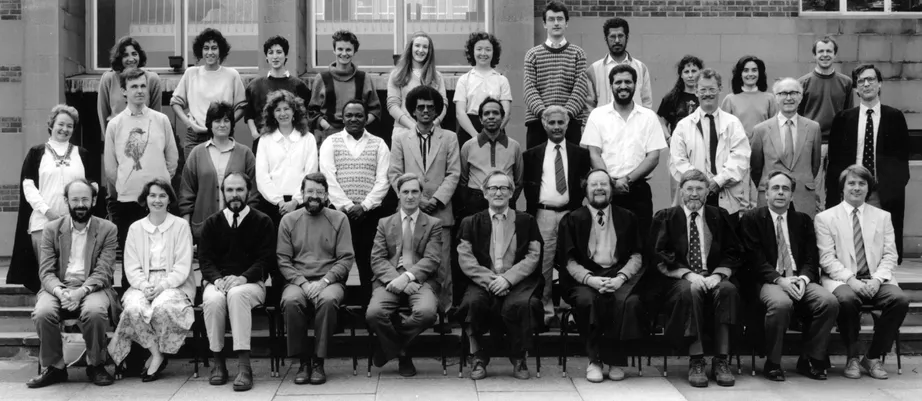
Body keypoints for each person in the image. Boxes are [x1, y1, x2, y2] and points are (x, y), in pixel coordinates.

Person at [739, 171, 838, 381]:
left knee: (828, 301)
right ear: (766, 194)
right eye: (775, 188)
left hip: (799, 279)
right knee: (781, 304)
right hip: (769, 280)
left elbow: (812, 259)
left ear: (792, 195)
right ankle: (773, 362)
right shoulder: (752, 219)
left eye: (785, 189)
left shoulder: (802, 220)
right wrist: (780, 280)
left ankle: (810, 358)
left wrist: (802, 279)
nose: (781, 193)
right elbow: (754, 260)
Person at [649, 169, 743, 388]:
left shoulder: (719, 216)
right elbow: (659, 256)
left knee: (728, 290)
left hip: (713, 276)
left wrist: (718, 275)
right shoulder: (667, 217)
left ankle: (721, 360)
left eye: (699, 189)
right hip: (679, 280)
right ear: (681, 191)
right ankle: (697, 359)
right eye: (689, 188)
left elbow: (734, 252)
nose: (694, 194)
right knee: (691, 290)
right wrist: (689, 275)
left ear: (707, 191)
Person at [815, 165, 909, 380]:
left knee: (900, 300)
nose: (856, 188)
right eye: (851, 183)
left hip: (876, 279)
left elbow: (890, 255)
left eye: (861, 183)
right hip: (842, 279)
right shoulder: (826, 218)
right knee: (847, 300)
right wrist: (851, 280)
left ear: (869, 188)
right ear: (843, 188)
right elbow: (827, 259)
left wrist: (876, 280)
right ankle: (852, 357)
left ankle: (873, 356)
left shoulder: (883, 217)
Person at [556, 169, 646, 383]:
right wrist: (590, 280)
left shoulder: (627, 217)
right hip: (585, 279)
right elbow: (568, 261)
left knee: (627, 301)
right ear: (586, 190)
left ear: (611, 189)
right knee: (588, 300)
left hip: (618, 276)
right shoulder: (571, 219)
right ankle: (594, 360)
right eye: (594, 185)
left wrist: (621, 278)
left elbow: (637, 255)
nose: (599, 189)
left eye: (604, 184)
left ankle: (615, 360)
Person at [27, 179, 117, 388]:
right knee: (43, 312)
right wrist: (61, 292)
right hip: (59, 286)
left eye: (85, 199)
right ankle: (56, 368)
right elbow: (46, 271)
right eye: (75, 199)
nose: (80, 204)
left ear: (94, 201)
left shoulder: (107, 229)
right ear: (66, 201)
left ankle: (96, 364)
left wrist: (81, 292)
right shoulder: (51, 229)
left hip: (93, 286)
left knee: (95, 311)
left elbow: (103, 271)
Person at [456, 171, 543, 381]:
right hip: (483, 281)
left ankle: (519, 356)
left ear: (512, 193)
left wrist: (508, 279)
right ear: (485, 193)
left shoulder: (526, 221)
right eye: (493, 188)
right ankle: (477, 356)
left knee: (523, 305)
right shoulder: (471, 222)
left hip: (517, 282)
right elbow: (465, 259)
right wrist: (492, 280)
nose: (498, 192)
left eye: (504, 188)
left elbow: (534, 255)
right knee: (472, 303)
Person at [108, 179, 195, 383]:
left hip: (174, 283)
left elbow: (183, 265)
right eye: (153, 195)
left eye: (162, 195)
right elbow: (131, 265)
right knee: (133, 308)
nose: (157, 200)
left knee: (162, 307)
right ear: (145, 199)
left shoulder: (181, 226)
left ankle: (157, 355)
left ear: (169, 199)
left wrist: (162, 286)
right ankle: (156, 353)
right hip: (143, 283)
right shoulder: (136, 228)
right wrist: (145, 286)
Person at [198, 172, 275, 391]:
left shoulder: (262, 221)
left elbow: (266, 259)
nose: (235, 195)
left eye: (239, 190)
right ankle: (218, 363)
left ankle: (244, 366)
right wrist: (216, 279)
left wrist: (243, 278)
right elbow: (205, 259)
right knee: (212, 300)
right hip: (218, 282)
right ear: (223, 192)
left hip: (251, 284)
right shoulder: (212, 223)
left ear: (248, 192)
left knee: (237, 294)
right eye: (229, 190)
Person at [9, 106, 97, 293]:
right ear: (51, 125)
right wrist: (48, 212)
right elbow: (29, 187)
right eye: (61, 124)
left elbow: (93, 184)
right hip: (43, 224)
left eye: (70, 126)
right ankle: (47, 319)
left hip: (77, 224)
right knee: (48, 276)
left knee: (73, 274)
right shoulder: (37, 153)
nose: (65, 129)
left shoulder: (82, 154)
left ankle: (71, 319)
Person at [388, 85, 460, 314]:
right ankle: (414, 311)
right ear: (413, 111)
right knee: (409, 261)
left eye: (431, 107)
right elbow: (395, 174)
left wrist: (436, 200)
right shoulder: (401, 138)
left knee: (442, 266)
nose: (426, 111)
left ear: (437, 110)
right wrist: (417, 201)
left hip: (440, 212)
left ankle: (444, 313)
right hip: (410, 210)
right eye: (421, 107)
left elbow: (454, 173)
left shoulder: (449, 137)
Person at [826, 64, 909, 263]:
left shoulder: (895, 117)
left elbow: (902, 158)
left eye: (871, 79)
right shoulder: (843, 118)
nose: (866, 84)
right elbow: (834, 161)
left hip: (883, 192)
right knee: (849, 243)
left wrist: (890, 187)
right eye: (861, 81)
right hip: (851, 189)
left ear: (879, 84)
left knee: (881, 245)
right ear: (855, 89)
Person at [278, 173, 354, 385]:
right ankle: (303, 362)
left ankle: (319, 361)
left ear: (327, 195)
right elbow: (283, 260)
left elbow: (346, 258)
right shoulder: (288, 220)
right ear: (301, 194)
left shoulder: (339, 219)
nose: (314, 196)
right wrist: (302, 283)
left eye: (319, 192)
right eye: (309, 191)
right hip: (297, 281)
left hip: (330, 281)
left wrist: (324, 282)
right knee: (292, 301)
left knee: (328, 300)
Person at [366, 173, 443, 376]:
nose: (410, 196)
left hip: (420, 279)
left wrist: (407, 277)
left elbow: (432, 259)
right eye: (405, 192)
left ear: (421, 195)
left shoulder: (434, 224)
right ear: (398, 195)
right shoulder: (385, 223)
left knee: (426, 313)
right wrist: (396, 279)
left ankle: (387, 348)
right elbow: (377, 259)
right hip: (389, 279)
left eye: (415, 192)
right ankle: (402, 353)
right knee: (374, 314)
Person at [523, 105, 591, 326]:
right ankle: (545, 314)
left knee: (572, 261)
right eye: (551, 123)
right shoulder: (532, 154)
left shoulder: (580, 154)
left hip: (570, 214)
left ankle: (570, 313)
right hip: (544, 214)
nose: (556, 127)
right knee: (544, 264)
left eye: (561, 122)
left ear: (568, 124)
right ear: (544, 125)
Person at [104, 68, 179, 266]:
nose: (139, 91)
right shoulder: (115, 125)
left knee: (160, 256)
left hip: (157, 200)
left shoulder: (161, 120)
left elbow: (172, 158)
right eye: (134, 86)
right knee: (132, 257)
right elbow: (111, 167)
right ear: (124, 91)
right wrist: (124, 185)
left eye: (143, 86)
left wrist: (161, 184)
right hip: (128, 200)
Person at [582, 64, 667, 235]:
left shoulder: (648, 117)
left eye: (628, 82)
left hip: (638, 190)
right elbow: (594, 153)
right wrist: (611, 182)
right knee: (607, 241)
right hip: (606, 190)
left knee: (640, 243)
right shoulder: (597, 115)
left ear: (635, 85)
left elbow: (653, 157)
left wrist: (626, 180)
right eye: (618, 82)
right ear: (611, 85)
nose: (623, 86)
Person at [319, 100, 390, 300]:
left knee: (369, 264)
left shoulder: (379, 144)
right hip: (338, 215)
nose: (354, 119)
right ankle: (337, 311)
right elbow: (328, 178)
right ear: (342, 117)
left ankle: (369, 312)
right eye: (349, 115)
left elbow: (383, 179)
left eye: (359, 115)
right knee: (337, 264)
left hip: (370, 215)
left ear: (366, 117)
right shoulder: (330, 142)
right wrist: (349, 206)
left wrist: (364, 206)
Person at [668, 68, 751, 220]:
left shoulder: (733, 123)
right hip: (694, 196)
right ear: (696, 91)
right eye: (703, 89)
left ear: (720, 89)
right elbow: (678, 160)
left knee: (726, 242)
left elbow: (741, 157)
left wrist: (718, 181)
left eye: (712, 89)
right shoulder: (683, 126)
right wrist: (701, 183)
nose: (708, 94)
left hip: (726, 196)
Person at [179, 102, 258, 241]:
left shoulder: (245, 154)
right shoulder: (197, 153)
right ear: (210, 124)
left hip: (238, 228)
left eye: (226, 120)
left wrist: (249, 223)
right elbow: (187, 192)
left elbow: (254, 194)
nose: (222, 125)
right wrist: (186, 227)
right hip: (203, 228)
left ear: (232, 124)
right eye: (217, 120)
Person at [750, 78, 822, 217]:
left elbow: (815, 164)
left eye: (794, 93)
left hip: (803, 197)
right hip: (772, 197)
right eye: (783, 93)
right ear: (776, 98)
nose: (789, 98)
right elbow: (756, 168)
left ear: (800, 97)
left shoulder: (813, 128)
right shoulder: (761, 130)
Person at [171, 27, 246, 158]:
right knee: (194, 177)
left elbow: (242, 106)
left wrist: (227, 122)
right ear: (200, 50)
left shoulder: (232, 75)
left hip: (223, 136)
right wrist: (189, 123)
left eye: (214, 48)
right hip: (195, 137)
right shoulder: (191, 73)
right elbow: (175, 102)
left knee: (222, 176)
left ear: (220, 50)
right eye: (206, 48)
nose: (210, 52)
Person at [798, 36, 854, 211]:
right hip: (812, 145)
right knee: (812, 190)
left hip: (837, 146)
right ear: (814, 55)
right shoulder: (803, 83)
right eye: (821, 51)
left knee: (837, 189)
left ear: (835, 54)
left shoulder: (846, 82)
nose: (825, 55)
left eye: (829, 51)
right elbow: (798, 117)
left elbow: (848, 115)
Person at [524, 0, 590, 148]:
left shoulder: (577, 54)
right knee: (537, 168)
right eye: (551, 19)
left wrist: (563, 116)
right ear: (544, 24)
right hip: (538, 122)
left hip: (569, 122)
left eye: (560, 19)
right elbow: (529, 90)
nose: (556, 23)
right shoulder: (532, 55)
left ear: (566, 23)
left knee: (571, 169)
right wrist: (545, 115)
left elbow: (580, 89)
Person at [256, 90, 319, 228]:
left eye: (286, 109)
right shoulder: (265, 140)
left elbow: (310, 173)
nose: (282, 113)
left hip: (300, 203)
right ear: (272, 114)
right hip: (272, 204)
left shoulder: (308, 139)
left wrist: (295, 201)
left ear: (294, 111)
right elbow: (262, 177)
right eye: (278, 110)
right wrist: (279, 202)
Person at [720, 55, 777, 207]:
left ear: (760, 73)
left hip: (763, 156)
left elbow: (775, 128)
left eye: (754, 70)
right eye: (745, 70)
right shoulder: (730, 99)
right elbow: (724, 131)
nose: (750, 74)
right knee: (741, 200)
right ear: (739, 73)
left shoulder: (769, 98)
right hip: (738, 155)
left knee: (761, 197)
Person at [308, 30, 381, 147]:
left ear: (354, 51)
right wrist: (327, 126)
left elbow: (375, 109)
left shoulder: (364, 78)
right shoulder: (322, 78)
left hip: (358, 136)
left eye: (348, 50)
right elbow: (312, 111)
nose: (344, 53)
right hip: (329, 135)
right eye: (340, 49)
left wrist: (360, 124)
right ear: (334, 50)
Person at [457, 98, 524, 220]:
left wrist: (510, 197)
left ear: (502, 118)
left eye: (495, 113)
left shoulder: (514, 146)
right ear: (481, 119)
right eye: (486, 113)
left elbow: (519, 181)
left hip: (505, 200)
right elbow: (463, 180)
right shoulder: (468, 146)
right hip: (476, 203)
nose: (491, 117)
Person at [245, 35, 310, 154]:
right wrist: (255, 133)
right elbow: (249, 114)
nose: (275, 56)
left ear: (286, 56)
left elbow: (305, 113)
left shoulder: (299, 85)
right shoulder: (255, 85)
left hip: (292, 142)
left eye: (279, 52)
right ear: (266, 57)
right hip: (263, 140)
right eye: (271, 52)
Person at [454, 31, 512, 146]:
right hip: (469, 132)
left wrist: (493, 133)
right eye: (479, 49)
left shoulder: (502, 80)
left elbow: (506, 113)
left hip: (496, 130)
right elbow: (460, 113)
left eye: (488, 49)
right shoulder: (464, 80)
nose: (483, 53)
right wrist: (476, 136)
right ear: (472, 51)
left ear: (494, 52)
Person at [97, 36, 162, 133]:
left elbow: (156, 114)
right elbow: (103, 112)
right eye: (125, 55)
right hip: (116, 134)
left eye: (134, 54)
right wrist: (108, 140)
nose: (131, 59)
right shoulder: (108, 78)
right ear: (119, 58)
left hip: (144, 134)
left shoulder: (152, 79)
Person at [586, 17, 652, 109]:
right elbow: (589, 106)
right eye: (612, 36)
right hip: (604, 123)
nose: (617, 40)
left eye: (620, 36)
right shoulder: (594, 70)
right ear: (606, 39)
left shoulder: (641, 68)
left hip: (634, 122)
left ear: (627, 37)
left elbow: (646, 102)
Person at [387, 32, 448, 130]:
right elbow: (393, 105)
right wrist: (414, 127)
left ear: (429, 51)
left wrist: (433, 125)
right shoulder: (397, 74)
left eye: (425, 47)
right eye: (417, 45)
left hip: (432, 131)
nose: (421, 50)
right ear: (410, 48)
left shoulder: (437, 76)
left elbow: (443, 105)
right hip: (403, 130)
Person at [657, 55, 704, 139]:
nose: (690, 75)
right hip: (678, 147)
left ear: (700, 72)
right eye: (686, 72)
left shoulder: (705, 96)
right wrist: (668, 139)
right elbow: (661, 122)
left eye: (694, 71)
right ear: (681, 75)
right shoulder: (671, 98)